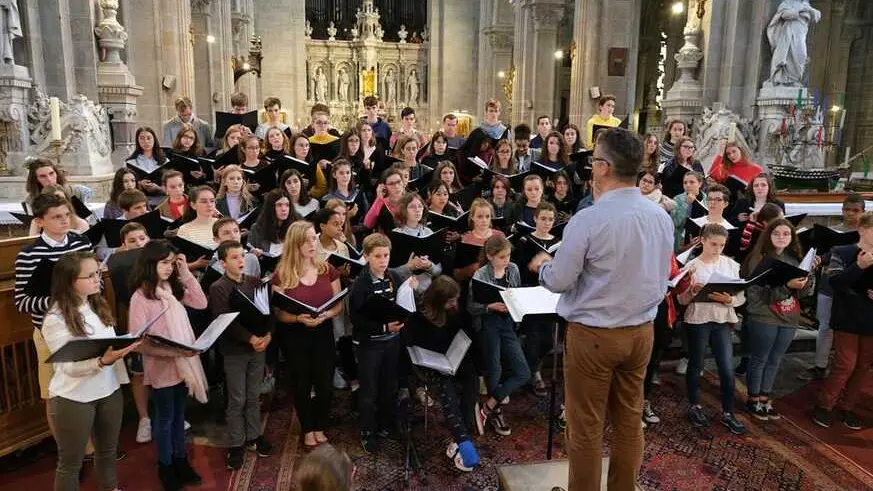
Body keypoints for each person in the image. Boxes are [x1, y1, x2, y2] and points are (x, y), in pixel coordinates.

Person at [530, 128, 673, 491]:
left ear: (604, 167)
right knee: (629, 421)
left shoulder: (589, 219)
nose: (591, 167)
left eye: (594, 161)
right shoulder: (659, 216)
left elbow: (561, 280)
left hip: (594, 336)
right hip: (642, 332)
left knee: (586, 426)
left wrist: (543, 266)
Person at [42, 252, 139, 491]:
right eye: (91, 275)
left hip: (108, 389)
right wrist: (102, 362)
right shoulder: (56, 318)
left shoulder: (96, 304)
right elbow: (67, 365)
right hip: (74, 397)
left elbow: (105, 347)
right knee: (70, 463)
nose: (99, 279)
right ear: (70, 281)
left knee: (107, 452)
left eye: (98, 273)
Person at [128, 240, 208, 491]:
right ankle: (166, 466)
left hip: (183, 362)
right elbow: (137, 342)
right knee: (165, 418)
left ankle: (180, 460)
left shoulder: (171, 288)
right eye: (164, 263)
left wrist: (185, 272)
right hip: (163, 365)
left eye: (171, 264)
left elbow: (201, 302)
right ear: (150, 264)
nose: (168, 268)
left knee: (179, 417)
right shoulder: (141, 296)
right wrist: (170, 351)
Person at [15, 193, 94, 442]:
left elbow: (95, 283)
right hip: (49, 331)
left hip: (84, 325)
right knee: (55, 393)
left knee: (88, 387)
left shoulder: (81, 244)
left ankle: (92, 446)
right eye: (56, 217)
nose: (64, 221)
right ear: (40, 221)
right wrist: (59, 298)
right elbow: (22, 301)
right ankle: (68, 450)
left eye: (67, 215)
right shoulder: (29, 254)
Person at [272, 221, 345, 448]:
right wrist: (297, 318)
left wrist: (326, 315)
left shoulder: (327, 269)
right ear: (295, 244)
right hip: (295, 334)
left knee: (324, 383)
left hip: (323, 331)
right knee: (301, 382)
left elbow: (338, 305)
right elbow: (279, 313)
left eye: (314, 238)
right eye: (307, 240)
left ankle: (320, 424)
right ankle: (307, 427)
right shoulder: (282, 274)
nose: (312, 243)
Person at [741, 218, 816, 420]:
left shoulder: (795, 259)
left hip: (789, 316)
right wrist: (787, 286)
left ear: (792, 238)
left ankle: (765, 397)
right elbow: (757, 296)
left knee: (775, 359)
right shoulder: (758, 259)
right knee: (760, 358)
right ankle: (753, 398)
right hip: (764, 315)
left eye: (786, 234)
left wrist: (809, 277)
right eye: (776, 233)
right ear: (768, 236)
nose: (781, 237)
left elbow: (803, 294)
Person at [675, 224, 747, 434]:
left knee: (726, 367)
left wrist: (730, 299)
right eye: (713, 244)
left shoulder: (731, 265)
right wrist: (691, 290)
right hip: (698, 319)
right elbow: (681, 299)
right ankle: (695, 405)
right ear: (703, 241)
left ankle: (727, 411)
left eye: (721, 245)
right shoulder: (691, 266)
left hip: (722, 319)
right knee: (696, 363)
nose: (717, 249)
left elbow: (741, 295)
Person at [404, 276, 480, 471]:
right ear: (439, 301)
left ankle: (463, 433)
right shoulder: (418, 317)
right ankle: (462, 439)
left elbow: (464, 331)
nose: (455, 304)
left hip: (451, 355)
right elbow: (410, 345)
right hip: (430, 362)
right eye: (451, 300)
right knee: (447, 385)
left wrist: (462, 344)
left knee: (471, 374)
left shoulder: (454, 311)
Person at [209, 240, 273, 470]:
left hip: (258, 348)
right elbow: (225, 321)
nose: (240, 261)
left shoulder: (255, 282)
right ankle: (237, 443)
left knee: (254, 395)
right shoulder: (219, 287)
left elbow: (267, 311)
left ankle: (254, 436)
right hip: (235, 350)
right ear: (223, 262)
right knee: (237, 398)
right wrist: (250, 338)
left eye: (242, 256)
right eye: (234, 257)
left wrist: (267, 335)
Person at [349, 233, 415, 453]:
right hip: (369, 343)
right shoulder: (360, 284)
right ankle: (367, 430)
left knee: (389, 385)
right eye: (377, 256)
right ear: (367, 257)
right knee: (369, 389)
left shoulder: (393, 277)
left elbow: (401, 303)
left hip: (392, 341)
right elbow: (356, 319)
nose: (383, 260)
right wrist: (384, 327)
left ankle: (385, 422)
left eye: (386, 255)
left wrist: (408, 293)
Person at [811, 211, 873, 430]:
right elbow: (836, 282)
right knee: (845, 364)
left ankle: (847, 407)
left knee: (863, 366)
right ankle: (825, 406)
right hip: (847, 316)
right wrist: (860, 267)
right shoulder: (843, 251)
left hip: (870, 320)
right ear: (863, 230)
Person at [800, 193, 866, 381]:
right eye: (847, 210)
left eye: (855, 210)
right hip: (830, 285)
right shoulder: (833, 231)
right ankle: (820, 365)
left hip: (855, 289)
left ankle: (843, 366)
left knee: (849, 331)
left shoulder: (867, 234)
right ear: (841, 210)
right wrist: (819, 258)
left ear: (863, 212)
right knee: (825, 326)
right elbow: (822, 254)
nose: (851, 214)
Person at [469, 235, 530, 436]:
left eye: (508, 256)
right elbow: (471, 306)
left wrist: (514, 303)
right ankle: (495, 411)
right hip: (489, 323)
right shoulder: (480, 274)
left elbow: (519, 295)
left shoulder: (513, 269)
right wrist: (489, 306)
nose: (507, 260)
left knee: (523, 372)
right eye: (502, 257)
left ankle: (489, 405)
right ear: (490, 256)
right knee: (494, 369)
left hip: (508, 323)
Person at [24, 158, 93, 210]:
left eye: (51, 173)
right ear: (36, 179)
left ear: (56, 173)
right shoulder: (31, 200)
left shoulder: (74, 192)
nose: (49, 179)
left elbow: (85, 219)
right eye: (43, 176)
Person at [126, 127, 168, 202]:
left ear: (154, 140)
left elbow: (171, 183)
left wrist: (159, 188)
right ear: (137, 141)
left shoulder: (165, 161)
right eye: (142, 138)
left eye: (149, 138)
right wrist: (139, 184)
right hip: (138, 201)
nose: (145, 141)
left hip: (162, 200)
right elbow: (125, 184)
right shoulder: (130, 162)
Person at [322, 158, 368, 228]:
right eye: (341, 173)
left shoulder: (358, 194)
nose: (345, 176)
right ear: (334, 175)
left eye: (348, 172)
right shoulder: (327, 199)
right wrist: (347, 216)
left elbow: (366, 216)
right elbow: (326, 224)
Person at [670, 171, 707, 251]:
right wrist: (686, 204)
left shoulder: (707, 199)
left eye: (692, 182)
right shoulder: (677, 199)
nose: (688, 185)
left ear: (700, 184)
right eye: (685, 183)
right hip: (683, 241)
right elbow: (675, 222)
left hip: (704, 240)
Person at [363, 168, 405, 233]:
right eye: (391, 184)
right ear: (384, 187)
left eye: (398, 182)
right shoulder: (381, 202)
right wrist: (379, 199)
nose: (396, 186)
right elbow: (367, 224)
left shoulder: (411, 199)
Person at [289, 133, 329, 198]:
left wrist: (310, 193)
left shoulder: (314, 165)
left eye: (307, 145)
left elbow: (322, 186)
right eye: (301, 145)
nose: (305, 148)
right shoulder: (287, 163)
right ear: (293, 147)